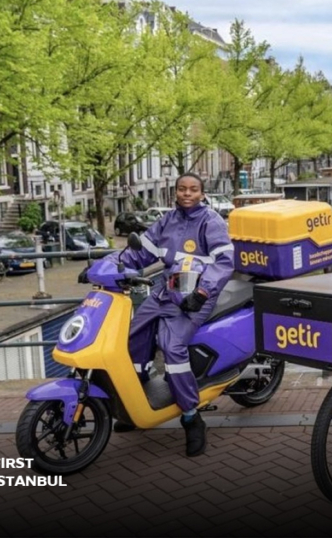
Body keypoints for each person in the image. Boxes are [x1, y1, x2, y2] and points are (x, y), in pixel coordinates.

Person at [82, 172, 234, 457]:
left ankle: (191, 417)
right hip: (166, 290)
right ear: (175, 192)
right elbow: (138, 253)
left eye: (193, 189)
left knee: (172, 346)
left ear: (202, 194)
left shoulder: (211, 221)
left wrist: (203, 292)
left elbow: (224, 262)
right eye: (182, 189)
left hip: (195, 296)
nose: (187, 193)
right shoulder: (167, 220)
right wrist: (103, 267)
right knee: (132, 336)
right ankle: (134, 402)